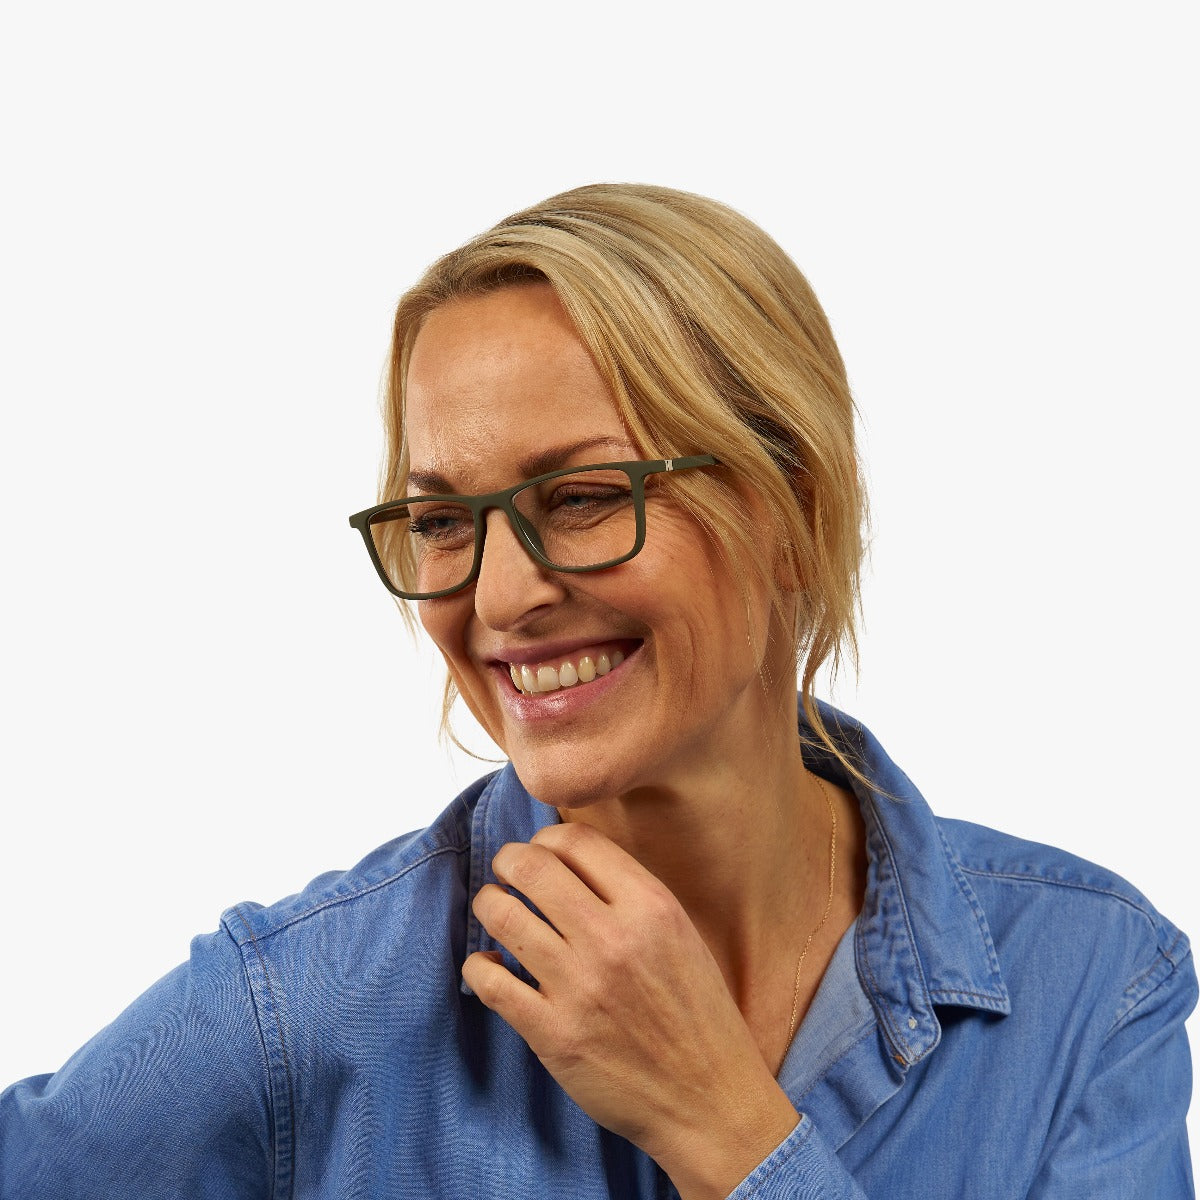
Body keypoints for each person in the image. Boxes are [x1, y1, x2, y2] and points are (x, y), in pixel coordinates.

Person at [0, 184, 1193, 1198]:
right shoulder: (306, 1003)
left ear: (793, 509)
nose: (499, 596)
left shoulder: (1089, 983)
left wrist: (728, 1133)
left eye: (579, 498)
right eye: (442, 522)